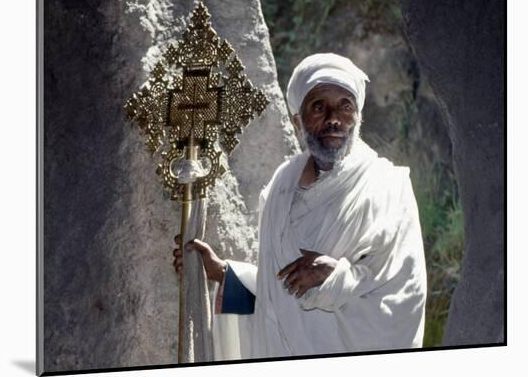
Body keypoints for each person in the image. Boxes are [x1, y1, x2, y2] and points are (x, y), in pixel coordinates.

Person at [173, 53, 427, 360]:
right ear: (298, 120)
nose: (334, 117)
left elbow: (405, 296)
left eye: (345, 105)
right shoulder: (281, 187)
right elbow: (278, 296)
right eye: (319, 106)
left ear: (358, 116)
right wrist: (225, 275)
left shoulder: (387, 186)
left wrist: (336, 277)